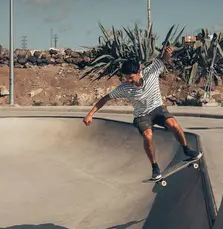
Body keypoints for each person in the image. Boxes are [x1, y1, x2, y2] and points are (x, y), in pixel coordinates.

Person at [83, 44, 202, 180]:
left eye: (131, 77)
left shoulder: (151, 72)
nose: (128, 81)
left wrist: (168, 52)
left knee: (173, 124)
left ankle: (186, 149)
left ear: (139, 72)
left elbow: (163, 59)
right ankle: (155, 167)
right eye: (126, 78)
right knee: (148, 136)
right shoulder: (124, 88)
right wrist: (90, 114)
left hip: (157, 108)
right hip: (141, 115)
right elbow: (105, 98)